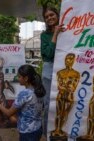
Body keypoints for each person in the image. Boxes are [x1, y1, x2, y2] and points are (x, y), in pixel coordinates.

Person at [0, 64, 45, 141]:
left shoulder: (25, 94)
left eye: (19, 76)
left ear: (26, 78)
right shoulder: (39, 90)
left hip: (27, 132)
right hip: (38, 129)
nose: (17, 78)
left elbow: (9, 113)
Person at [40, 6, 65, 136]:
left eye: (52, 15)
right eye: (47, 16)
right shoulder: (45, 35)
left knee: (65, 103)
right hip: (50, 70)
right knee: (49, 104)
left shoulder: (68, 31)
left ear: (57, 15)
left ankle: (62, 131)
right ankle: (46, 134)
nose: (49, 18)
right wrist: (55, 34)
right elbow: (48, 54)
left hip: (64, 69)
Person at [51, 53, 80, 138]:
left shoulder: (76, 74)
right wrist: (67, 86)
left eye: (71, 59)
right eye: (67, 58)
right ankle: (57, 129)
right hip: (60, 95)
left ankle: (60, 129)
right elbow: (59, 86)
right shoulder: (60, 72)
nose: (68, 61)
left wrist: (65, 86)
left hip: (69, 96)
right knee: (58, 113)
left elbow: (73, 88)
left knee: (65, 114)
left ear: (74, 60)